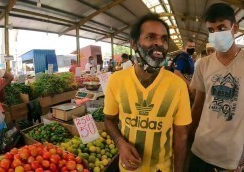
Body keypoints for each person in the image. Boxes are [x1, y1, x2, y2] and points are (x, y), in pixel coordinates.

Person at [104, 13, 192, 172]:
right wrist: (120, 143)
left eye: (164, 39)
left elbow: (181, 137)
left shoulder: (177, 85)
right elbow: (109, 119)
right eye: (151, 37)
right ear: (134, 44)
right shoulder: (116, 80)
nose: (159, 43)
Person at [189, 3, 244, 171]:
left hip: (231, 155)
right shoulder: (203, 64)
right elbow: (198, 105)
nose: (216, 34)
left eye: (222, 28)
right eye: (211, 30)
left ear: (234, 28)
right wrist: (188, 137)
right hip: (200, 149)